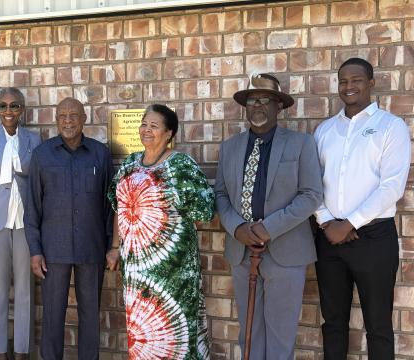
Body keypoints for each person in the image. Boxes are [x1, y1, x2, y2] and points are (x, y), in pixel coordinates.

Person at [214, 73, 323, 359]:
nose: (257, 106)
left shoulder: (301, 144)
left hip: (286, 253)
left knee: (279, 335)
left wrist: (267, 229)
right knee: (248, 333)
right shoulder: (230, 148)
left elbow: (311, 195)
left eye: (264, 100)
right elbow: (221, 196)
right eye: (251, 101)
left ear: (278, 106)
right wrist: (238, 229)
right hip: (242, 253)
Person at [314, 58, 410, 359]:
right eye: (343, 80)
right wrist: (327, 221)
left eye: (356, 79)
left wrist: (350, 223)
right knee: (333, 323)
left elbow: (391, 186)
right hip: (329, 238)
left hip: (373, 239)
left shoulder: (390, 126)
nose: (349, 86)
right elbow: (311, 183)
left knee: (378, 325)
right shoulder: (325, 130)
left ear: (371, 83)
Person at [106, 104, 215, 359]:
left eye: (154, 126)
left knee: (176, 334)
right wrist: (115, 246)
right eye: (144, 124)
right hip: (137, 272)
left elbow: (205, 210)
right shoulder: (130, 163)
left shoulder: (181, 165)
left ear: (169, 134)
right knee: (143, 334)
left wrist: (172, 203)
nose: (146, 130)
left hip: (173, 270)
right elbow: (119, 207)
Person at [24, 97, 113, 360]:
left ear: (84, 118)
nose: (67, 121)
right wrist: (35, 250)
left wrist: (111, 247)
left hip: (91, 248)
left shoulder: (100, 154)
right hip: (53, 250)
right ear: (56, 120)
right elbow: (33, 207)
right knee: (52, 315)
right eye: (62, 116)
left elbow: (110, 205)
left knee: (90, 315)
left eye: (73, 115)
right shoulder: (42, 154)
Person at [0, 88, 42, 360]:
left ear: (22, 109)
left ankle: (22, 351)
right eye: (2, 106)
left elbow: (37, 184)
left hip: (25, 224)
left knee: (25, 289)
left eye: (14, 106)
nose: (8, 111)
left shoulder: (33, 140)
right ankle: (0, 352)